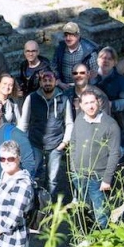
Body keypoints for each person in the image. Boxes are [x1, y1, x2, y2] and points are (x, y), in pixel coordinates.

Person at [18, 69, 73, 200]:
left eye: (50, 80)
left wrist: (64, 142)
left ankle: (48, 206)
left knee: (52, 179)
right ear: (40, 82)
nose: (47, 83)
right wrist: (22, 143)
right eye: (45, 80)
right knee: (30, 175)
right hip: (35, 144)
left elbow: (69, 122)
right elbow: (24, 122)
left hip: (55, 145)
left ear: (55, 81)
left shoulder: (64, 99)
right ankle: (30, 203)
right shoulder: (31, 98)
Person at [70, 90, 121, 229]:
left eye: (92, 102)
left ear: (98, 102)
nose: (90, 106)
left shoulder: (110, 125)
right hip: (79, 176)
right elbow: (73, 142)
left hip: (97, 178)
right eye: (86, 103)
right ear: (80, 105)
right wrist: (73, 167)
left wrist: (107, 179)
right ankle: (86, 241)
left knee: (101, 215)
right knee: (84, 211)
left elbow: (115, 153)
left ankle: (104, 243)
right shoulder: (80, 119)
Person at [0, 97, 35, 189]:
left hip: (9, 192)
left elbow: (29, 164)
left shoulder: (15, 134)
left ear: (0, 111)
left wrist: (19, 188)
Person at [91, 46, 124, 153]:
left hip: (114, 120)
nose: (105, 60)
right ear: (97, 60)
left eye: (109, 59)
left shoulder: (121, 81)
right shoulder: (90, 77)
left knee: (117, 152)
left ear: (115, 62)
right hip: (92, 120)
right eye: (102, 57)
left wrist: (111, 104)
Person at [52, 21, 98, 90]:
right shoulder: (60, 49)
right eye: (66, 35)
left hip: (84, 87)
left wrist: (84, 86)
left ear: (78, 36)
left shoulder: (89, 51)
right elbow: (53, 67)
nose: (68, 38)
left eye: (71, 35)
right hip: (63, 86)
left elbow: (94, 73)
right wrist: (59, 83)